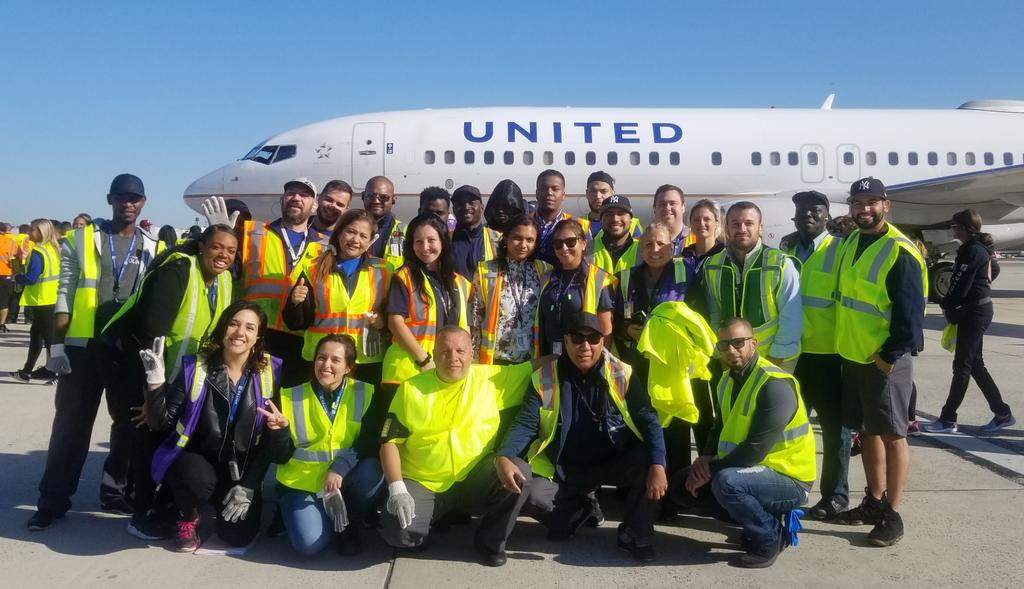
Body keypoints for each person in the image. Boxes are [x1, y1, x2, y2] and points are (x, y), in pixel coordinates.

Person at [28, 173, 162, 531]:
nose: (127, 203)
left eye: (134, 198)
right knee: (70, 427)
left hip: (126, 350)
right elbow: (64, 293)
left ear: (143, 202)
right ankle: (52, 500)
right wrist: (57, 347)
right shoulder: (81, 239)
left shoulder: (153, 245)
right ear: (110, 199)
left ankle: (114, 491)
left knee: (128, 426)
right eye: (121, 197)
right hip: (83, 350)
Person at [495, 312, 668, 563]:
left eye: (593, 339)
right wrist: (503, 455)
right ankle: (581, 508)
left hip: (613, 461)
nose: (585, 346)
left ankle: (634, 534)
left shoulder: (621, 373)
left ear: (602, 342)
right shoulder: (545, 377)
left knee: (651, 461)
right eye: (577, 338)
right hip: (565, 468)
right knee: (532, 495)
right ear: (565, 341)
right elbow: (525, 424)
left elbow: (648, 420)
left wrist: (658, 465)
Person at [102, 224, 237, 537]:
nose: (224, 255)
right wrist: (151, 396)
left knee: (169, 441)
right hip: (145, 371)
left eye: (231, 250)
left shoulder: (224, 280)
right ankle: (140, 515)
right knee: (147, 439)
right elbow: (150, 335)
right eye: (217, 247)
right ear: (201, 246)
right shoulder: (178, 271)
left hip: (181, 380)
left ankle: (161, 505)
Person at [380, 326, 535, 566]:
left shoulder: (492, 380)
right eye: (445, 352)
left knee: (519, 473)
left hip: (473, 477)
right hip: (424, 481)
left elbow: (533, 368)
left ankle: (489, 543)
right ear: (434, 354)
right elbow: (389, 443)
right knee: (398, 533)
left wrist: (567, 354)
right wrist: (397, 488)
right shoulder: (410, 389)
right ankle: (425, 526)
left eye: (460, 351)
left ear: (472, 353)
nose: (453, 357)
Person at [143, 301, 285, 552]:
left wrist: (250, 485)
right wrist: (155, 384)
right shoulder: (195, 367)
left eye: (250, 328)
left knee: (237, 537)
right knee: (194, 478)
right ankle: (187, 515)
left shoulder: (270, 371)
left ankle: (220, 501)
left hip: (239, 469)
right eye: (233, 324)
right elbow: (160, 423)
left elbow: (274, 447)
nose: (240, 332)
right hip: (198, 461)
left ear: (257, 337)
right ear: (223, 328)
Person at [675, 318, 815, 568]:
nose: (731, 350)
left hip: (789, 478)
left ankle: (770, 537)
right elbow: (719, 425)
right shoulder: (727, 380)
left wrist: (710, 471)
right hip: (749, 471)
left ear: (754, 343)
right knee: (680, 485)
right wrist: (704, 459)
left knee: (726, 483)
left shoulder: (774, 385)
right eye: (724, 345)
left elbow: (755, 449)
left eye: (738, 343)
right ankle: (762, 519)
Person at [831, 177, 926, 547]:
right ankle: (873, 501)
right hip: (854, 356)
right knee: (868, 431)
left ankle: (892, 513)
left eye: (872, 202)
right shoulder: (852, 241)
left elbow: (911, 317)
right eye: (858, 203)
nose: (864, 209)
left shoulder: (900, 251)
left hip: (884, 361)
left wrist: (888, 355)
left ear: (886, 205)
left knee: (893, 435)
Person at [271, 334, 383, 556]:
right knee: (309, 546)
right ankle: (298, 513)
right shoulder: (290, 396)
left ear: (348, 367)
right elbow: (278, 456)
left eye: (335, 360)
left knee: (373, 472)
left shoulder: (365, 392)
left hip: (344, 477)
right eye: (321, 358)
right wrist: (280, 433)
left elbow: (368, 442)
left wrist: (339, 467)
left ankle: (348, 525)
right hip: (302, 482)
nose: (326, 365)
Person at [778, 191, 851, 521]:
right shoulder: (787, 249)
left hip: (829, 356)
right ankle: (787, 490)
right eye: (801, 210)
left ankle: (835, 496)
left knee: (836, 432)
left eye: (815, 209)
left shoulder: (840, 249)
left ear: (827, 215)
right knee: (789, 430)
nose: (807, 214)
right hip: (793, 356)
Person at [613, 223, 699, 496]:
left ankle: (675, 494)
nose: (655, 249)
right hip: (637, 366)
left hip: (672, 368)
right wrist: (627, 329)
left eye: (661, 243)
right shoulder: (625, 278)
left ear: (672, 247)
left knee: (675, 429)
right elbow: (613, 318)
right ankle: (636, 488)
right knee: (638, 425)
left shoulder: (688, 273)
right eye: (648, 244)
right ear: (641, 248)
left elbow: (699, 315)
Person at [219, 178, 323, 388]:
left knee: (287, 400)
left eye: (304, 195)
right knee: (250, 396)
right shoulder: (253, 233)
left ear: (314, 206)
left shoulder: (325, 246)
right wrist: (220, 233)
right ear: (282, 199)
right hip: (256, 334)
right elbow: (226, 270)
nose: (296, 198)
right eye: (291, 193)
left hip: (299, 339)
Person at [924, 209, 1015, 433]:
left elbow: (959, 283)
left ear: (965, 228)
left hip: (974, 312)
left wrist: (947, 304)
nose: (952, 230)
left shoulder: (973, 250)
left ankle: (948, 419)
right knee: (974, 364)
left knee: (962, 366)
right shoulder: (977, 248)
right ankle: (1002, 413)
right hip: (977, 309)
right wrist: (981, 286)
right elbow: (993, 270)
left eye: (955, 226)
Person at [282, 209, 389, 390]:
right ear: (339, 233)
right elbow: (295, 323)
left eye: (363, 236)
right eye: (350, 232)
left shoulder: (385, 270)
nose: (355, 240)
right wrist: (295, 303)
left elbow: (394, 314)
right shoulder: (312, 267)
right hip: (323, 360)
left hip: (365, 360)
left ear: (371, 240)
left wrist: (383, 322)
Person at [703, 202, 802, 366]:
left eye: (749, 223)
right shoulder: (712, 265)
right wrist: (721, 355)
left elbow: (791, 319)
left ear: (760, 228)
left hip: (775, 359)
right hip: (732, 360)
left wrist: (773, 361)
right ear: (727, 228)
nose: (742, 229)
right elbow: (715, 316)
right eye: (735, 224)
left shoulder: (780, 264)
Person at [381, 214, 471, 393]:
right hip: (407, 372)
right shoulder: (404, 277)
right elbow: (395, 323)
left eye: (431, 240)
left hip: (446, 372)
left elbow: (465, 328)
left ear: (443, 241)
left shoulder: (460, 283)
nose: (425, 247)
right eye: (418, 241)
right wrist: (423, 359)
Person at [470, 214, 550, 365]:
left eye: (530, 240)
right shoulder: (486, 271)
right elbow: (475, 320)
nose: (523, 245)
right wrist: (474, 363)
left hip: (532, 361)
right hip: (496, 361)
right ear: (506, 238)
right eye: (517, 238)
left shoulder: (544, 270)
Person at [534, 219, 614, 356]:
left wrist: (597, 362)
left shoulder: (599, 279)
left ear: (583, 244)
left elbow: (606, 332)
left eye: (570, 242)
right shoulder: (546, 278)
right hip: (548, 358)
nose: (564, 248)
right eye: (558, 244)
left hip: (582, 360)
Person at [12, 219, 60, 382]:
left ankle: (57, 372)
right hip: (51, 297)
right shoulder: (53, 249)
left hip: (42, 299)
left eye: (32, 230)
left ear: (41, 232)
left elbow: (31, 278)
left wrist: (17, 277)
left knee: (48, 338)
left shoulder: (38, 252)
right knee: (36, 335)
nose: (29, 232)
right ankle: (26, 371)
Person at [450, 185, 500, 280]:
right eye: (460, 203)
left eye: (471, 202)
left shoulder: (497, 239)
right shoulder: (445, 241)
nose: (466, 207)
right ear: (454, 209)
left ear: (482, 207)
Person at [577, 171, 642, 239]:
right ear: (587, 193)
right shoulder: (578, 224)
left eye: (604, 191)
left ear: (612, 193)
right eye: (593, 191)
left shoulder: (631, 225)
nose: (598, 196)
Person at [531, 170, 575, 265]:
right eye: (544, 188)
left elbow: (588, 262)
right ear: (537, 193)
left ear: (563, 195)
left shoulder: (579, 226)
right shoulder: (523, 224)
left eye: (555, 189)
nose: (549, 193)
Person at [362, 176, 405, 270]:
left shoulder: (406, 232)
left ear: (393, 200)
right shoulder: (350, 229)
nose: (376, 201)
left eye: (383, 197)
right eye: (371, 196)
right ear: (363, 196)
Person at [591, 195, 641, 275]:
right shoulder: (586, 250)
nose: (615, 219)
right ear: (601, 220)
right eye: (609, 214)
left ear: (631, 219)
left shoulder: (642, 250)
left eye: (621, 213)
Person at [653, 184, 693, 256]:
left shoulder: (699, 239)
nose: (667, 208)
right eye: (662, 204)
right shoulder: (641, 242)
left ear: (683, 207)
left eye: (673, 203)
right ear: (654, 208)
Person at [0, 222, 19, 333]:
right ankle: (2, 324)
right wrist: (16, 271)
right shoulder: (12, 242)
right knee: (4, 301)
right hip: (6, 274)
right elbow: (16, 259)